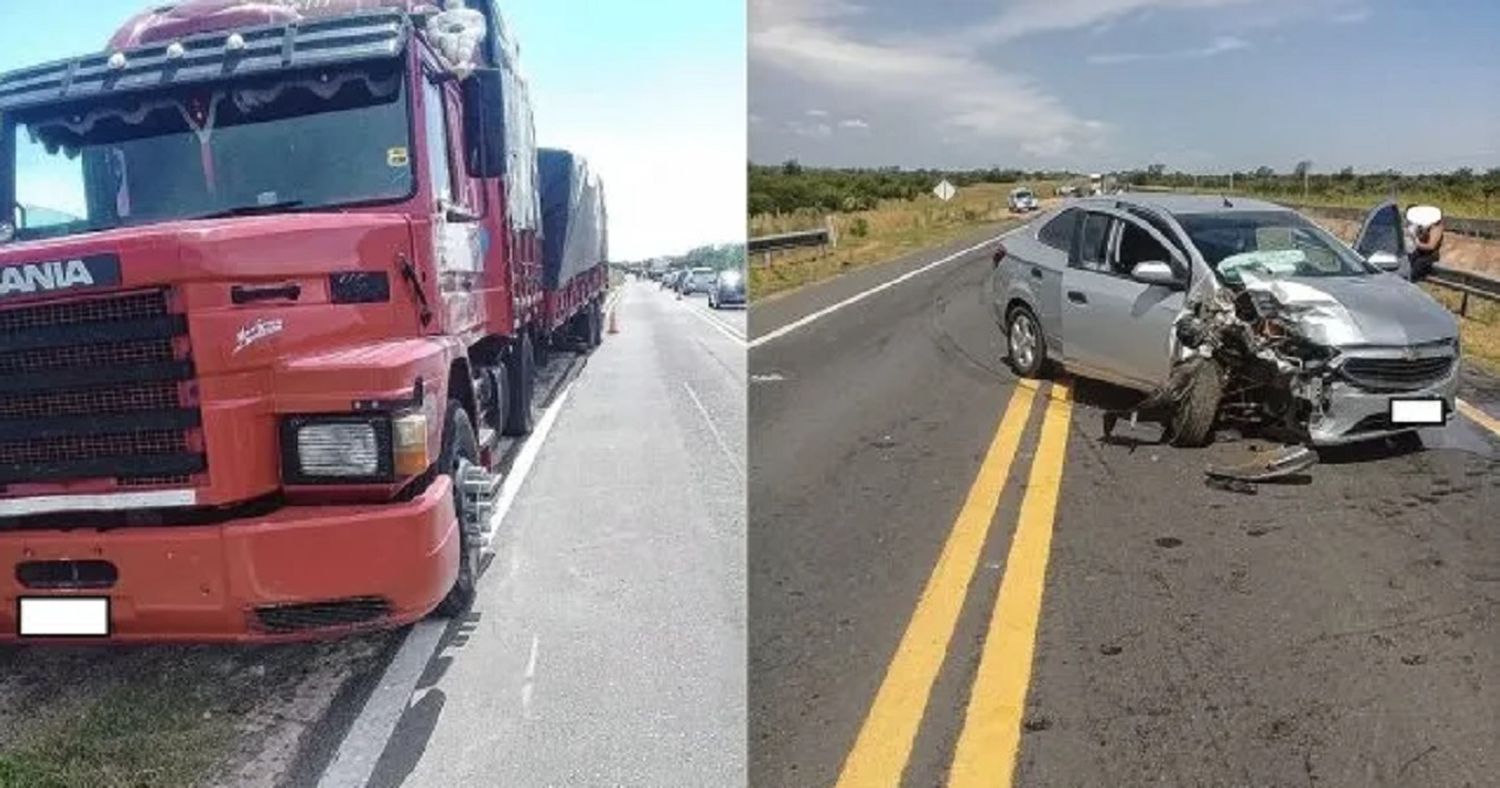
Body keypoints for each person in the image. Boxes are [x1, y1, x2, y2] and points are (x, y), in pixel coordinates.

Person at [1403, 204, 1444, 282]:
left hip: (1429, 256)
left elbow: (1431, 246)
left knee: (1414, 271)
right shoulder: (1426, 225)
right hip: (1419, 252)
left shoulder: (1437, 228)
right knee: (1406, 262)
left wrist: (1417, 242)